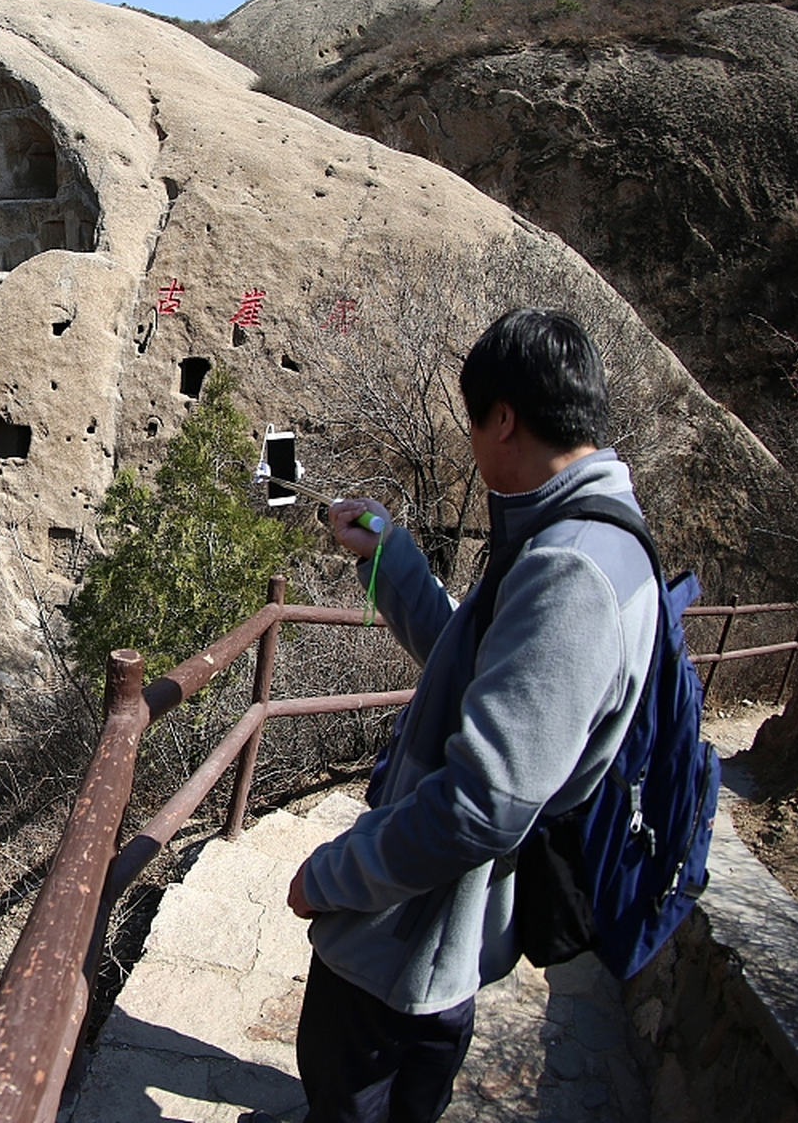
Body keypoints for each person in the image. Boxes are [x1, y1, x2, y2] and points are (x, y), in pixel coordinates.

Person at [284, 308, 661, 1123]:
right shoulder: (579, 538)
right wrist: (389, 555)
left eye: (473, 422)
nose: (471, 444)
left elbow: (481, 804)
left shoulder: (571, 573)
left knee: (352, 1098)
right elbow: (474, 661)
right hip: (433, 935)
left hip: (408, 935)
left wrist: (332, 875)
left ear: (504, 419)